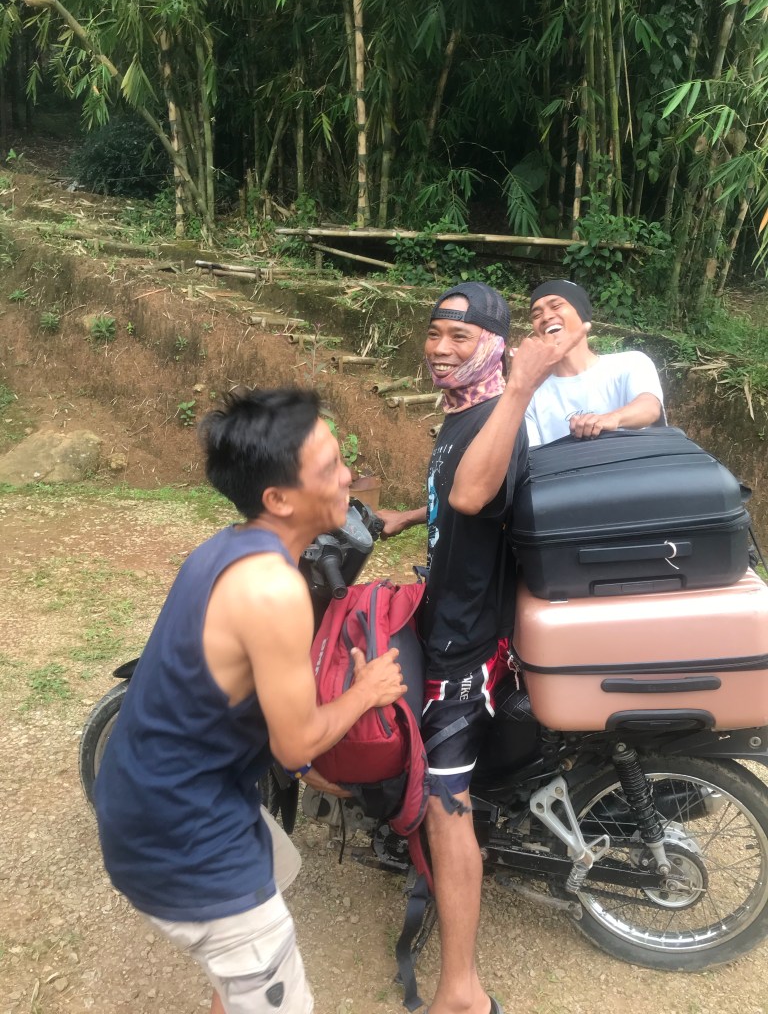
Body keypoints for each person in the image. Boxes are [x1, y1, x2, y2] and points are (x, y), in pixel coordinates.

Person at [93, 388, 406, 1014]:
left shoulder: (225, 547)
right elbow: (295, 744)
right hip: (184, 834)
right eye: (330, 468)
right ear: (279, 499)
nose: (348, 477)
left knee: (276, 875)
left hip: (147, 796)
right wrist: (364, 692)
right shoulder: (272, 588)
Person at [377, 283, 576, 1014]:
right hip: (446, 615)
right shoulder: (464, 413)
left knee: (444, 798)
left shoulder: (499, 412)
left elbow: (472, 497)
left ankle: (462, 990)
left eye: (459, 340)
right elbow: (454, 504)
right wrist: (404, 516)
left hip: (465, 645)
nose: (439, 350)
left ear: (494, 348)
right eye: (433, 335)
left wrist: (524, 386)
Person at [524, 278, 665, 446]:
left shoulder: (631, 363)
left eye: (556, 306)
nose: (546, 317)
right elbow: (532, 457)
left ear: (581, 313)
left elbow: (650, 407)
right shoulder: (531, 394)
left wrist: (611, 419)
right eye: (536, 315)